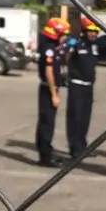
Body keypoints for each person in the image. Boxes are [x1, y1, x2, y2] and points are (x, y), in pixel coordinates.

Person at [35, 17, 70, 168]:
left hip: (50, 88)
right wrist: (54, 93)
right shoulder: (48, 48)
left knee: (48, 121)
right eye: (63, 34)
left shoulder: (52, 46)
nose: (65, 37)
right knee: (47, 123)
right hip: (47, 89)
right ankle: (45, 157)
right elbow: (48, 71)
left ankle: (46, 151)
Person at [65, 16, 100, 159]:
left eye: (95, 32)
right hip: (76, 85)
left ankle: (83, 146)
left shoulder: (95, 46)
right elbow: (64, 51)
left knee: (85, 118)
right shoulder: (76, 42)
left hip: (88, 86)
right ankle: (74, 148)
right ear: (84, 31)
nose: (92, 34)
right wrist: (72, 40)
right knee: (75, 117)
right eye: (90, 31)